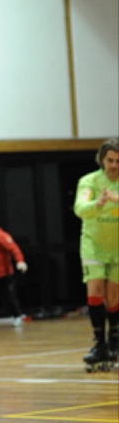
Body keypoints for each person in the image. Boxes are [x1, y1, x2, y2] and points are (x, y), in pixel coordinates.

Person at [73, 138, 119, 370]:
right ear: (102, 160)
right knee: (95, 291)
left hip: (117, 246)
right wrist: (97, 204)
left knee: (113, 298)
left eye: (118, 161)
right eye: (110, 160)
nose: (114, 166)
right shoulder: (89, 182)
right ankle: (99, 343)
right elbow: (80, 208)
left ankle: (114, 342)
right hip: (93, 244)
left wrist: (115, 198)